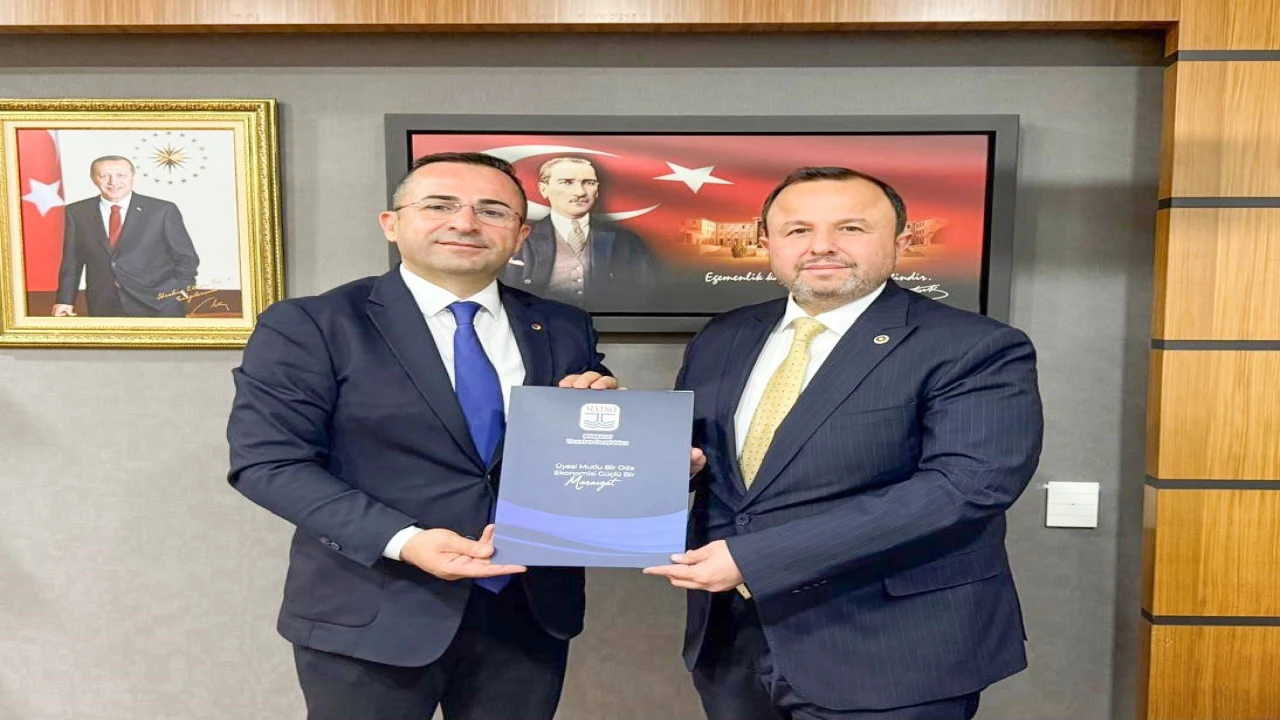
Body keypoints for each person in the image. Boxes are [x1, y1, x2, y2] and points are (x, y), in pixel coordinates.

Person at [226, 152, 619, 720]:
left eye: (492, 211)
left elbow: (577, 452)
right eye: (439, 205)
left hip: (526, 610)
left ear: (520, 234)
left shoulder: (562, 326)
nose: (465, 223)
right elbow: (269, 464)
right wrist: (405, 540)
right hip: (372, 607)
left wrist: (620, 434)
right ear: (391, 224)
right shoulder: (312, 324)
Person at [646, 167, 1044, 720]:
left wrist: (756, 559)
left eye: (851, 228)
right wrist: (654, 459)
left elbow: (965, 488)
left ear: (900, 241)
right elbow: (707, 460)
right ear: (766, 243)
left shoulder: (973, 345)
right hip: (733, 644)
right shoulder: (724, 335)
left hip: (891, 648)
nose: (822, 246)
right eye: (798, 230)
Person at [52, 155, 199, 317]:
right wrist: (64, 300)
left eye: (120, 175)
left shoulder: (162, 210)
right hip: (104, 303)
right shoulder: (77, 212)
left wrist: (177, 293)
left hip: (158, 303)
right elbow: (72, 261)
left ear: (132, 177)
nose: (113, 182)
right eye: (104, 176)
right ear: (93, 179)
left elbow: (186, 258)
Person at [501, 156, 656, 306]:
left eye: (589, 183)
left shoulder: (626, 241)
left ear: (597, 190)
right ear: (544, 189)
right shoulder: (520, 238)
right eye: (567, 182)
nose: (580, 192)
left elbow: (643, 296)